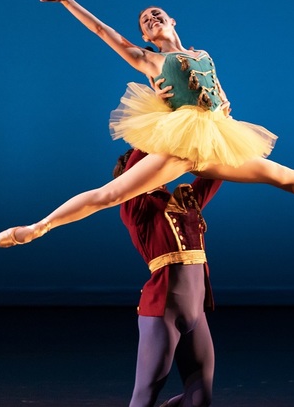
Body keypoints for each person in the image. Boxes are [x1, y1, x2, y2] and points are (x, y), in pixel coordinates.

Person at [0, 0, 294, 247]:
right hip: (184, 142)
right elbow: (103, 32)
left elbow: (217, 92)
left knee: (284, 178)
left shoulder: (202, 53)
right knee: (112, 194)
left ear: (171, 21)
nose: (151, 19)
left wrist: (224, 108)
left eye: (157, 14)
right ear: (147, 37)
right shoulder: (149, 60)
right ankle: (38, 227)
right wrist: (66, 0)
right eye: (145, 22)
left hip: (218, 137)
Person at [116, 148, 220, 407]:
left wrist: (219, 125)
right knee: (145, 394)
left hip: (196, 312)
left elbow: (216, 171)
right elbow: (138, 163)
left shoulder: (184, 202)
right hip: (163, 312)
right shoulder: (135, 205)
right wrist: (156, 134)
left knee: (200, 397)